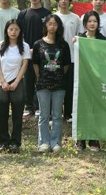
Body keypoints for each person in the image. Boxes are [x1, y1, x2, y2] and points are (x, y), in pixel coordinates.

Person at [0, 19, 31, 152]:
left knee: (17, 115)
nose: (13, 32)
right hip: (1, 83)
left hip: (17, 83)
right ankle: (3, 141)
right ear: (6, 31)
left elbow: (24, 65)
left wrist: (16, 82)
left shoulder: (24, 46)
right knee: (1, 114)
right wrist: (3, 82)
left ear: (20, 31)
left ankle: (15, 142)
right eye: (11, 29)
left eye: (16, 30)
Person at [33, 14, 69, 153]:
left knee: (56, 115)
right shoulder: (38, 44)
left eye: (55, 24)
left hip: (59, 85)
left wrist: (57, 74)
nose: (52, 26)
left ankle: (56, 142)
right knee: (43, 115)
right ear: (45, 26)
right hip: (43, 84)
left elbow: (66, 65)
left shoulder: (63, 44)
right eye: (50, 24)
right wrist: (41, 77)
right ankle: (44, 142)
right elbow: (35, 64)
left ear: (58, 26)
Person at [73, 10, 106, 150]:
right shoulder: (79, 38)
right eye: (89, 21)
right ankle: (80, 138)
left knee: (96, 109)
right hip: (82, 79)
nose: (92, 24)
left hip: (98, 79)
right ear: (85, 23)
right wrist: (75, 42)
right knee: (82, 108)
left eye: (95, 21)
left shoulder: (103, 40)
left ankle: (94, 139)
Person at [17, 0, 51, 116]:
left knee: (41, 79)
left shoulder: (47, 14)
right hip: (26, 52)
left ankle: (39, 106)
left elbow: (50, 33)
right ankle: (28, 106)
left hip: (44, 52)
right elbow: (19, 34)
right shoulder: (23, 14)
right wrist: (25, 49)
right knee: (28, 79)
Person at [53, 0, 80, 121]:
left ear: (70, 1)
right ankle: (56, 113)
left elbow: (80, 36)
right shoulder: (53, 18)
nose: (63, 1)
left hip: (72, 57)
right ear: (57, 0)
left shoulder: (76, 18)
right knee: (56, 85)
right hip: (54, 58)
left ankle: (68, 113)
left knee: (70, 86)